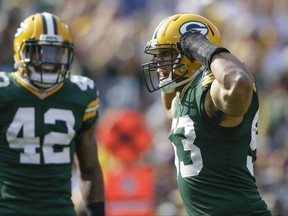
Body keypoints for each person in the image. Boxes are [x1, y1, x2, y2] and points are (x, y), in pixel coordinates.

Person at [142, 13, 271, 215]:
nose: (158, 63)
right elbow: (171, 109)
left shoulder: (210, 91)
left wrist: (200, 47)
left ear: (190, 53)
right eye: (157, 56)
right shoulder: (185, 96)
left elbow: (239, 82)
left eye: (165, 54)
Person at [0, 12, 105, 216]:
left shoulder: (80, 94)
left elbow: (89, 168)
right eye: (39, 52)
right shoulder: (5, 90)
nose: (48, 61)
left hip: (59, 210)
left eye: (56, 53)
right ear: (20, 51)